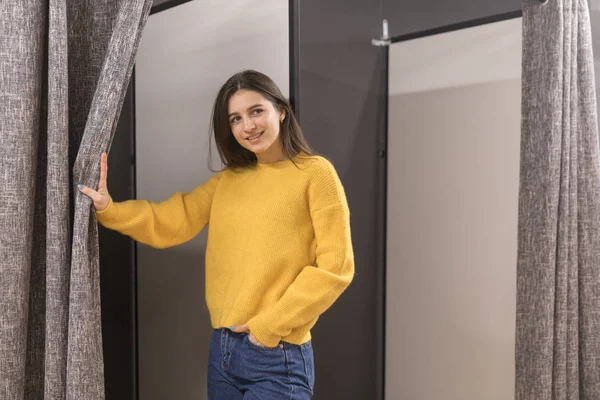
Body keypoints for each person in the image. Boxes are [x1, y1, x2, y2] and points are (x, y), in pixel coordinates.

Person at [78, 70, 354, 399]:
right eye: (236, 119)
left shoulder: (315, 173)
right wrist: (110, 208)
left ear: (280, 110)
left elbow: (335, 267)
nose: (248, 126)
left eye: (256, 111)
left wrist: (268, 327)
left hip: (277, 353)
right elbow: (173, 219)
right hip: (223, 351)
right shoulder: (229, 181)